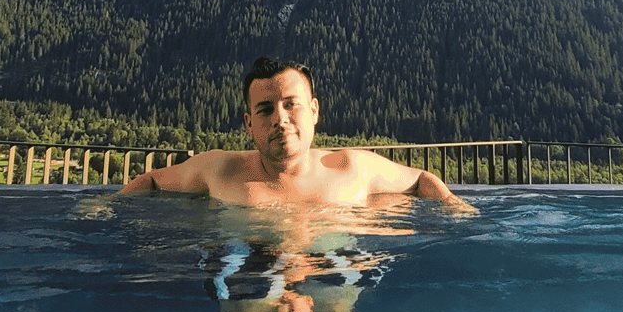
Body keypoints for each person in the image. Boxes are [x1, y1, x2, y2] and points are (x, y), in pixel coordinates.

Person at [120, 56, 471, 210]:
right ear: (248, 124)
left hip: (331, 261)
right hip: (249, 263)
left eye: (291, 104)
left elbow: (421, 179)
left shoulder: (354, 168)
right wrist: (103, 207)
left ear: (314, 111)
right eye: (265, 109)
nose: (280, 118)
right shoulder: (219, 169)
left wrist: (454, 205)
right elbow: (152, 180)